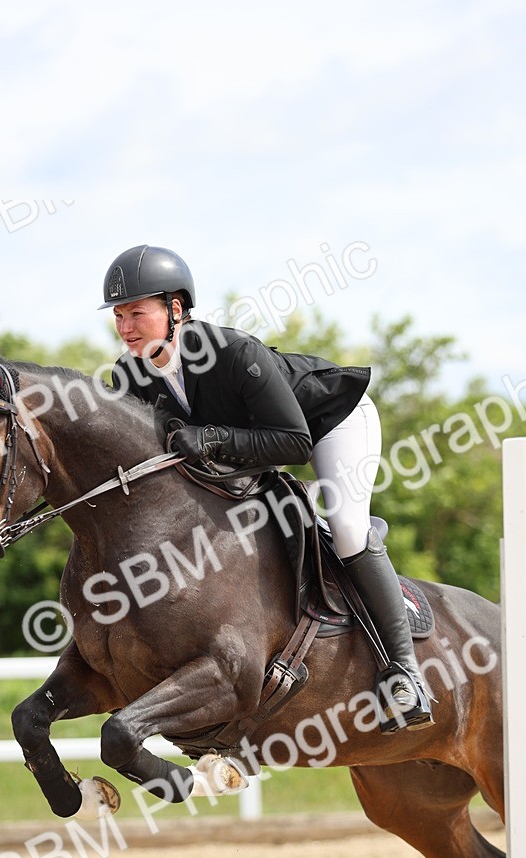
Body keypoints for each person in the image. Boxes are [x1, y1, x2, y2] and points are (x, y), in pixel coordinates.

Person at [100, 244, 432, 731]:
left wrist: (210, 437)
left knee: (346, 528)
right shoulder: (129, 375)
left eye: (136, 313)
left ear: (175, 309)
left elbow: (294, 443)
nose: (126, 327)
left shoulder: (233, 353)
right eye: (118, 315)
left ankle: (405, 673)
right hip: (253, 450)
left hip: (330, 423)